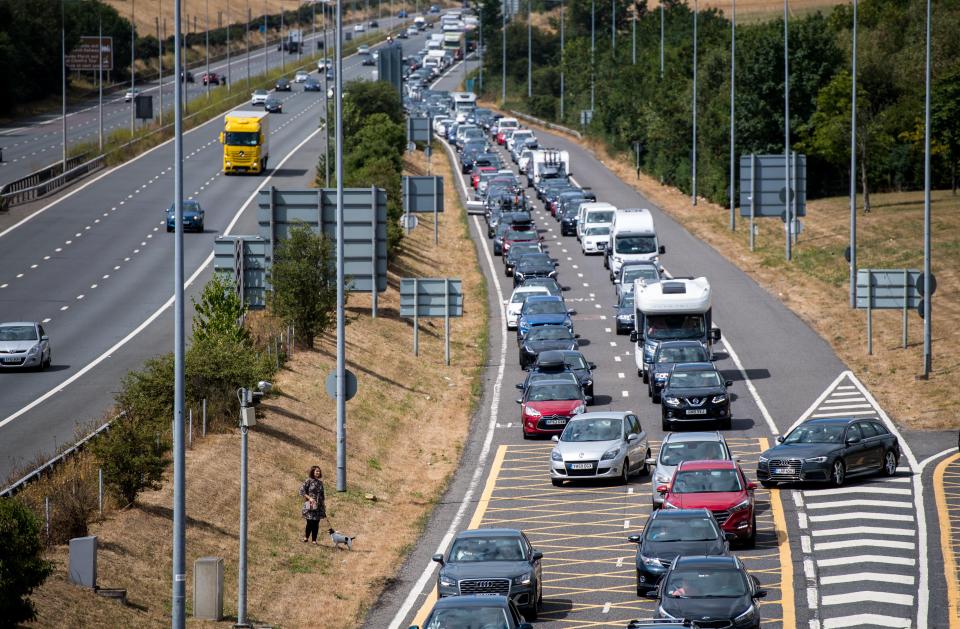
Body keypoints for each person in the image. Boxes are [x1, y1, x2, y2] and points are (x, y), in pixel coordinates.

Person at [299, 466, 327, 544]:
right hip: (309, 504)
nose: (318, 473)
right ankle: (306, 538)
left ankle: (314, 540)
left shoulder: (320, 483)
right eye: (316, 471)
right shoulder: (308, 481)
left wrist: (323, 505)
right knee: (310, 522)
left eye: (319, 471)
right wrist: (309, 498)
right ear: (313, 472)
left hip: (318, 506)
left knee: (316, 523)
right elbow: (301, 491)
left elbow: (322, 495)